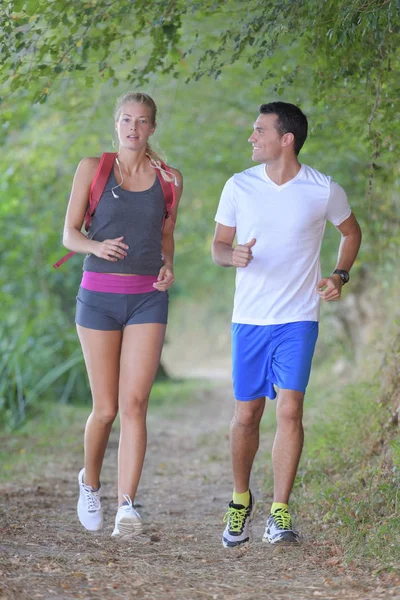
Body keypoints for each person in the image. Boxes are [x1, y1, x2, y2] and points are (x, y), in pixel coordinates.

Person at [212, 101, 362, 547]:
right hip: (250, 319)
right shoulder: (238, 186)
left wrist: (339, 274)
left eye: (259, 131)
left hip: (298, 318)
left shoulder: (323, 189)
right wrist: (232, 255)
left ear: (286, 139)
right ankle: (241, 500)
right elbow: (218, 246)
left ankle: (280, 511)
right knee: (247, 414)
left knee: (291, 410)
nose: (252, 138)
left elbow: (350, 233)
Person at [62, 92, 183, 538]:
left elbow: (167, 234)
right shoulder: (92, 169)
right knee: (107, 408)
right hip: (98, 299)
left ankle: (127, 507)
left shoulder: (170, 178)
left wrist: (169, 266)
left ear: (153, 127)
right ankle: (89, 482)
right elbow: (69, 234)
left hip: (148, 299)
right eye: (127, 120)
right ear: (117, 124)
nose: (134, 128)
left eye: (143, 121)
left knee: (135, 406)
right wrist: (96, 246)